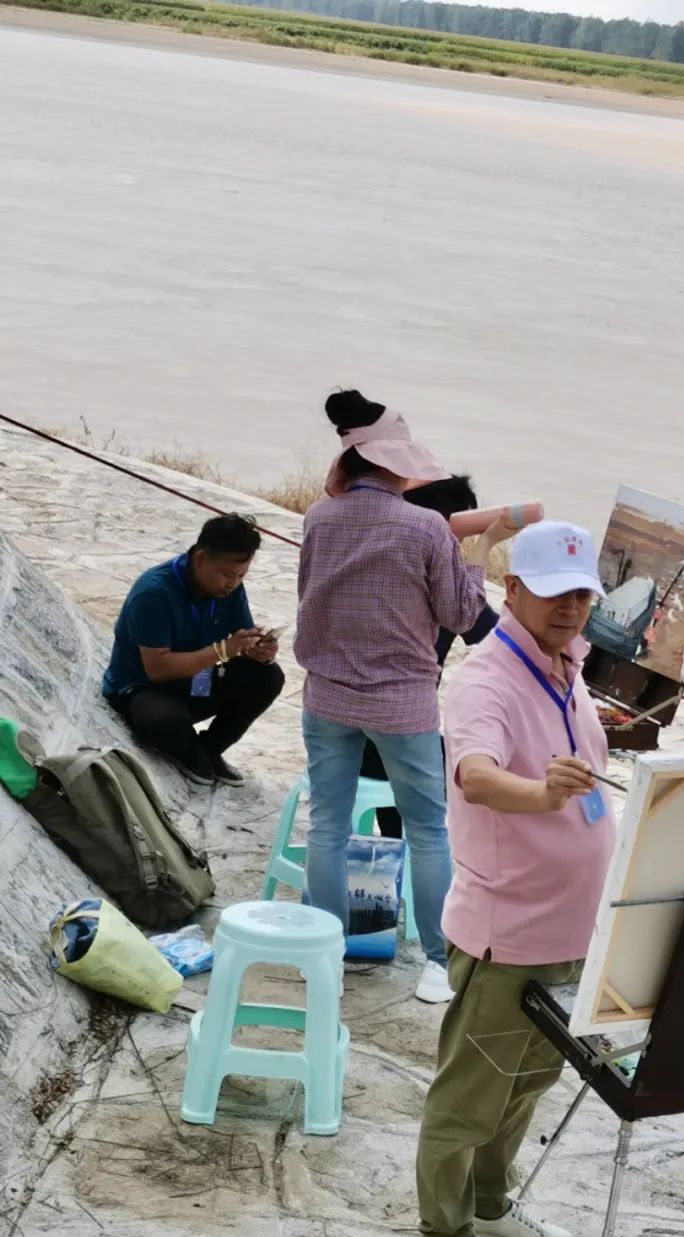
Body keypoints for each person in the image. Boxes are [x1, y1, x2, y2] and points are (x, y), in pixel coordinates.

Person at [415, 519, 615, 1237]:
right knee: (471, 1093)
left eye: (583, 594)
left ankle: (492, 1207)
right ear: (512, 590)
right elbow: (475, 774)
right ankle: (443, 1232)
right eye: (555, 591)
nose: (572, 607)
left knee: (528, 1082)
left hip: (568, 927)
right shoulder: (485, 679)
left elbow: (578, 759)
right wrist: (544, 795)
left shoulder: (569, 666)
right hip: (508, 931)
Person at [296, 390, 516, 1004]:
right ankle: (438, 962)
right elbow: (462, 612)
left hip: (327, 695)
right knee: (428, 831)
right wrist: (479, 553)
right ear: (398, 462)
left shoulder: (319, 517)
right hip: (402, 703)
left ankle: (328, 952)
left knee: (328, 829)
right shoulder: (424, 528)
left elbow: (309, 595)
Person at [361, 473, 499, 839]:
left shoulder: (370, 561)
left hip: (335, 729)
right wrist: (484, 549)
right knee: (474, 774)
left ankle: (395, 850)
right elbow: (499, 642)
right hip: (391, 737)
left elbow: (492, 635)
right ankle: (408, 854)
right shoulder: (448, 590)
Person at [103, 513, 283, 786]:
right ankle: (187, 750)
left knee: (268, 676)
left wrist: (257, 650)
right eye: (227, 574)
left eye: (241, 575)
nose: (233, 583)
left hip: (197, 682)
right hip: (144, 690)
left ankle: (210, 748)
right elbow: (157, 669)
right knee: (163, 722)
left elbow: (237, 642)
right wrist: (224, 650)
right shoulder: (154, 592)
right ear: (200, 559)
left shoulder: (230, 589)